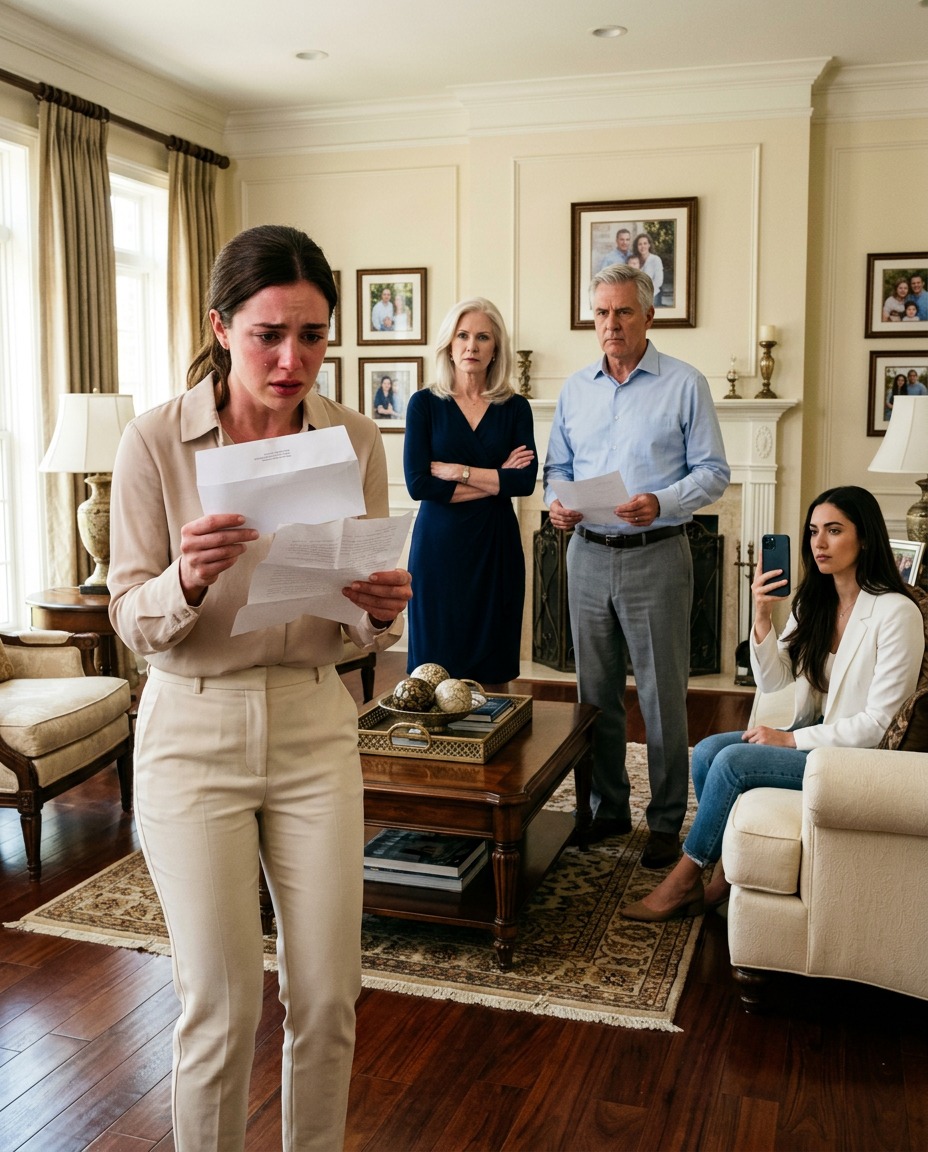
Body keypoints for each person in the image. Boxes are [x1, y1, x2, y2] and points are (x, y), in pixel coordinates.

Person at [108, 224, 412, 1151]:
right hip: (192, 733)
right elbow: (130, 614)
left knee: (328, 993)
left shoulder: (354, 438)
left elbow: (364, 621)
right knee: (222, 1004)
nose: (292, 360)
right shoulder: (155, 442)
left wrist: (382, 609)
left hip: (318, 725)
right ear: (220, 325)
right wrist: (187, 579)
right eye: (268, 335)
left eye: (313, 336)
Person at [621, 485, 924, 922]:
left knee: (731, 763)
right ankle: (727, 874)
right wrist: (761, 614)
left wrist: (788, 739)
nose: (819, 543)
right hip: (819, 735)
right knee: (708, 751)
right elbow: (775, 678)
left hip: (856, 759)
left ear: (866, 538)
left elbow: (878, 724)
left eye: (834, 531)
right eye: (813, 531)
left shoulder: (896, 613)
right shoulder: (815, 601)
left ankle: (686, 879)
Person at [544, 263, 730, 868]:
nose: (610, 324)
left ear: (649, 316)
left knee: (661, 696)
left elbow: (714, 473)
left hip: (657, 557)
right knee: (593, 694)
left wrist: (663, 502)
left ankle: (667, 822)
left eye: (623, 312)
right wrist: (557, 505)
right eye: (601, 313)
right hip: (588, 555)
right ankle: (608, 810)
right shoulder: (575, 389)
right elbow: (558, 469)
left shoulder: (685, 384)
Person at [403, 296, 537, 688]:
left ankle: (495, 744)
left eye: (482, 337)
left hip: (495, 549)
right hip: (438, 550)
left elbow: (524, 483)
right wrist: (496, 479)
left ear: (496, 348)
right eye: (462, 335)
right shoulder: (424, 404)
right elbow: (419, 485)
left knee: (492, 671)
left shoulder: (515, 408)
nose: (471, 346)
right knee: (432, 671)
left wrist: (458, 472)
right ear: (449, 343)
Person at [633, 232, 665, 306]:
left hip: (653, 295)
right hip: (637, 296)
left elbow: (659, 281)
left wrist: (645, 293)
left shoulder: (655, 259)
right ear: (637, 246)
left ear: (649, 245)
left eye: (645, 243)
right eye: (640, 244)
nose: (642, 246)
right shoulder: (634, 260)